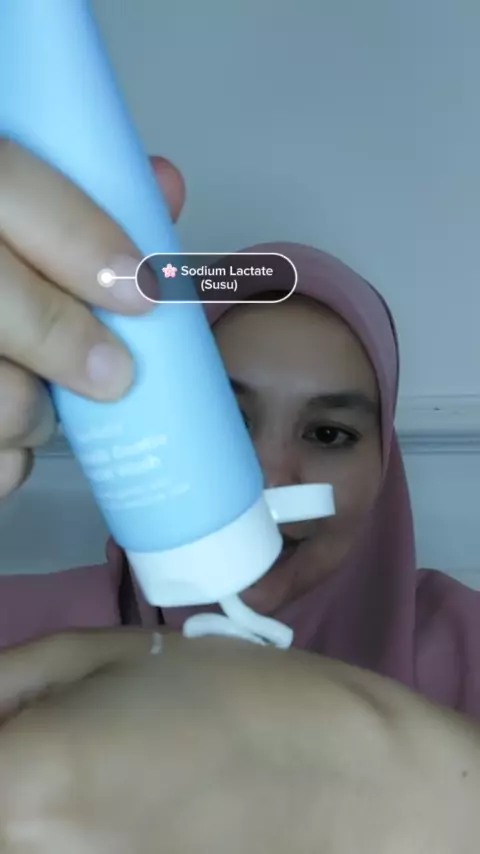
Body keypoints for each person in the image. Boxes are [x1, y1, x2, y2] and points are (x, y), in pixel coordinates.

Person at [0, 139, 479, 852]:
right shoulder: (22, 632)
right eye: (225, 418)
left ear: (386, 466)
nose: (267, 480)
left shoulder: (467, 647)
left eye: (328, 433)